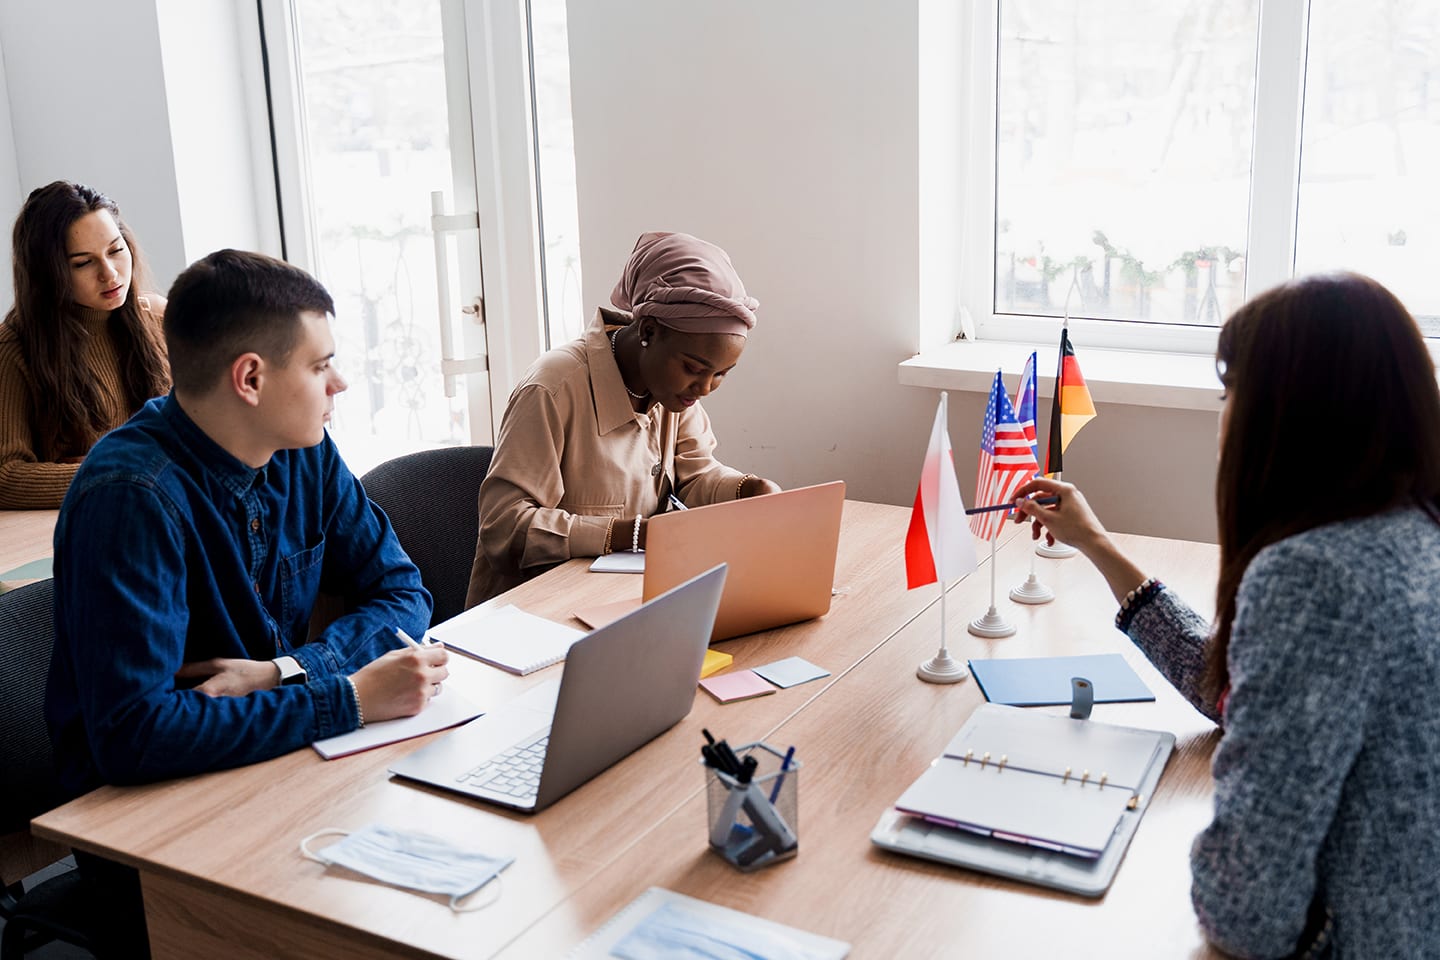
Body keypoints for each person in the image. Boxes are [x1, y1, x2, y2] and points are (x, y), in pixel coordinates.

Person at [1011, 272, 1440, 959]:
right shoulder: (1412, 536)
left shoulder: (1315, 576)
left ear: (1286, 413)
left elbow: (1245, 908)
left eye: (1227, 392)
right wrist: (1098, 544)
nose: (1224, 414)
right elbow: (1234, 692)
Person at [46, 249, 450, 957]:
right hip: (150, 829)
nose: (341, 383)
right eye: (321, 365)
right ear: (252, 378)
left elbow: (401, 587)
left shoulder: (303, 449)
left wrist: (291, 671)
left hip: (277, 764)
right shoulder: (131, 496)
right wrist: (347, 699)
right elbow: (135, 735)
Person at [465, 231, 781, 606]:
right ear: (648, 330)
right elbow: (505, 527)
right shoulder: (552, 388)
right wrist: (624, 535)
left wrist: (747, 489)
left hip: (616, 603)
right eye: (695, 368)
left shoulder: (673, 392)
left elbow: (695, 475)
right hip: (530, 616)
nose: (706, 387)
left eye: (721, 373)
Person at [0, 180, 170, 508]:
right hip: (91, 526)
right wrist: (119, 471)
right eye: (83, 263)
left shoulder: (158, 318)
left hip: (169, 514)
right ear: (48, 274)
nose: (110, 274)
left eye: (116, 250)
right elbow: (6, 476)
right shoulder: (13, 348)